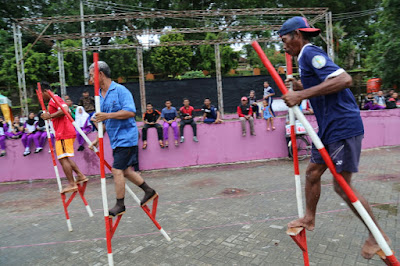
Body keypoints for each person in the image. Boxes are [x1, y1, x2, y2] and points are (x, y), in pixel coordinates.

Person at [280, 16, 389, 259]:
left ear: (297, 35)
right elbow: (323, 89)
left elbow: (344, 80)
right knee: (312, 174)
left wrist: (301, 95)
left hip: (342, 126)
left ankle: (377, 235)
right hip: (328, 128)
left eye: (285, 39)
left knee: (342, 186)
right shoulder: (303, 59)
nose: (284, 46)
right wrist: (299, 86)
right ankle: (309, 218)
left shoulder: (310, 52)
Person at [89, 61, 157, 217]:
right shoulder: (99, 95)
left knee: (117, 170)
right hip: (115, 139)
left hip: (127, 137)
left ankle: (120, 204)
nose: (90, 79)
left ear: (100, 74)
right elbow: (105, 121)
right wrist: (96, 138)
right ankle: (149, 190)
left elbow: (130, 112)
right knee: (125, 170)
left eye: (92, 75)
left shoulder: (120, 90)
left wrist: (107, 115)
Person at [40, 82, 88, 194]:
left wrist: (50, 116)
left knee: (62, 158)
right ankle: (80, 175)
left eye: (41, 95)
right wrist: (48, 115)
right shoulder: (53, 101)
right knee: (65, 157)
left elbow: (65, 110)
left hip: (64, 132)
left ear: (44, 91)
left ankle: (72, 183)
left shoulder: (55, 98)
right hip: (63, 132)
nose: (41, 98)